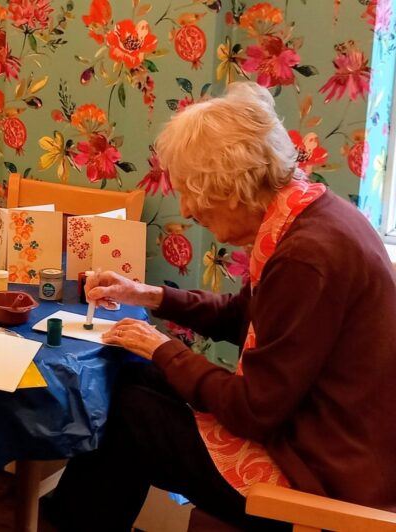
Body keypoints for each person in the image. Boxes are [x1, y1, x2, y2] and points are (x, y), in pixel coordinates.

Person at [44, 82, 396, 530]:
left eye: (192, 191)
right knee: (131, 374)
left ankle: (64, 521)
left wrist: (162, 347)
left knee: (131, 416)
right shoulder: (307, 215)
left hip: (321, 480)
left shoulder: (308, 257)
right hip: (312, 436)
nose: (188, 209)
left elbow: (252, 411)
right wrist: (148, 294)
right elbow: (241, 314)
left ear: (231, 185)